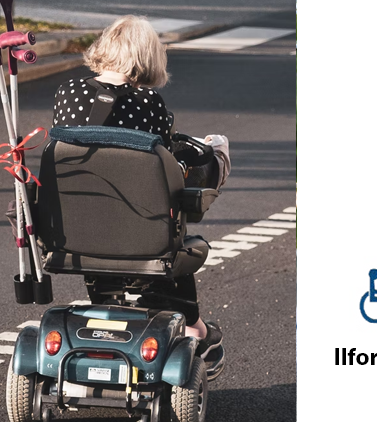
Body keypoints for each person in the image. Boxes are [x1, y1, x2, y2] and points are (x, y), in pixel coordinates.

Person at [51, 15, 222, 359]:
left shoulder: (68, 92)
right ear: (147, 57)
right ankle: (194, 328)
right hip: (140, 230)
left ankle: (110, 305)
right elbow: (165, 163)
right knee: (204, 170)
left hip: (77, 229)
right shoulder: (148, 102)